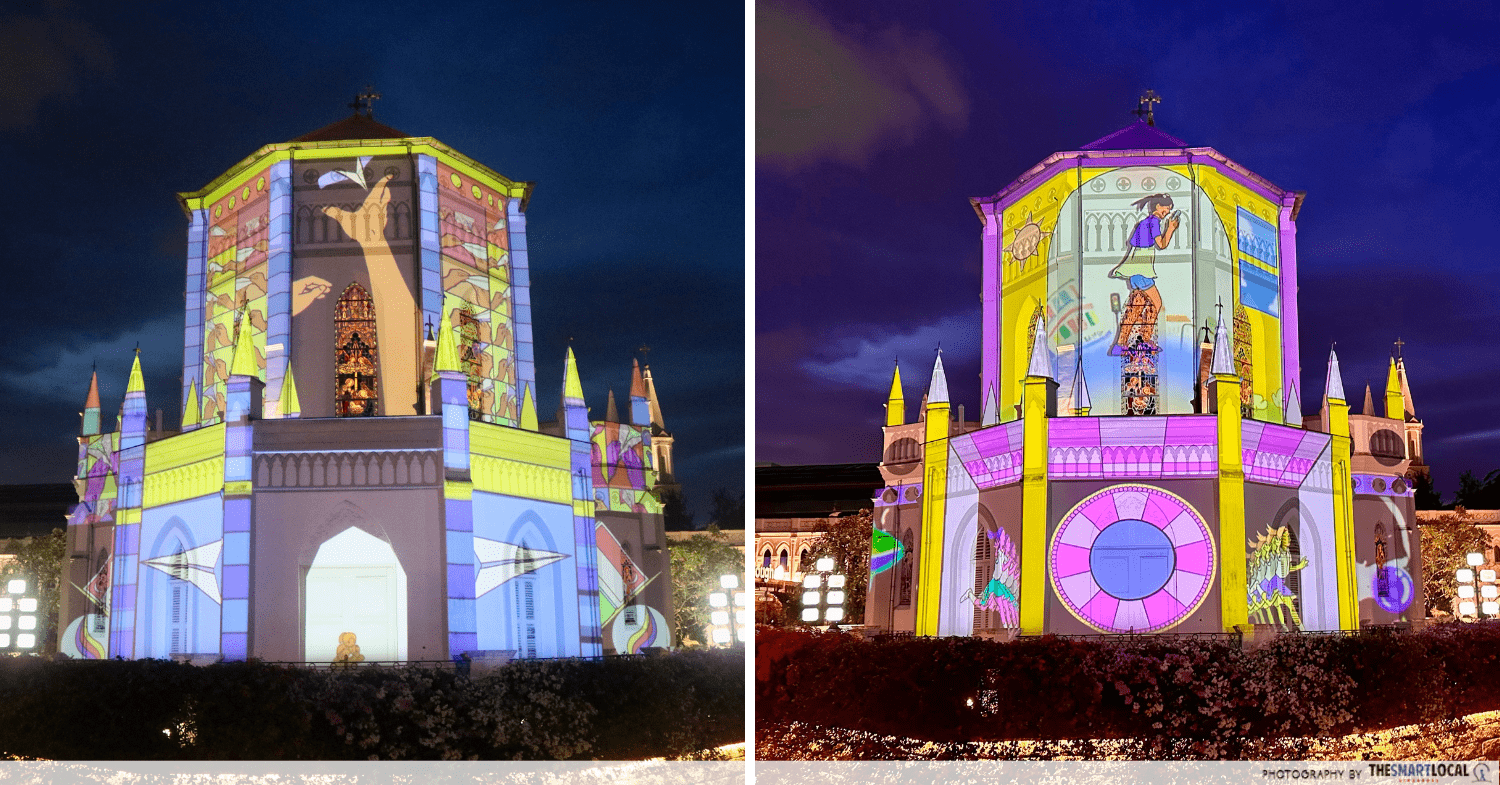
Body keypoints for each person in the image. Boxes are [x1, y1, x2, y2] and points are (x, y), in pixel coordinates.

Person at [1109, 194, 1179, 353]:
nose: (1167, 212)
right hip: (1142, 271)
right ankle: (1144, 341)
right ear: (1157, 206)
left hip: (1136, 271)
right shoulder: (1154, 222)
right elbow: (1161, 244)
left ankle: (1121, 344)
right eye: (1165, 208)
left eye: (1168, 210)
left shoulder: (1144, 223)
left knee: (1137, 305)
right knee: (1156, 302)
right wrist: (1170, 229)